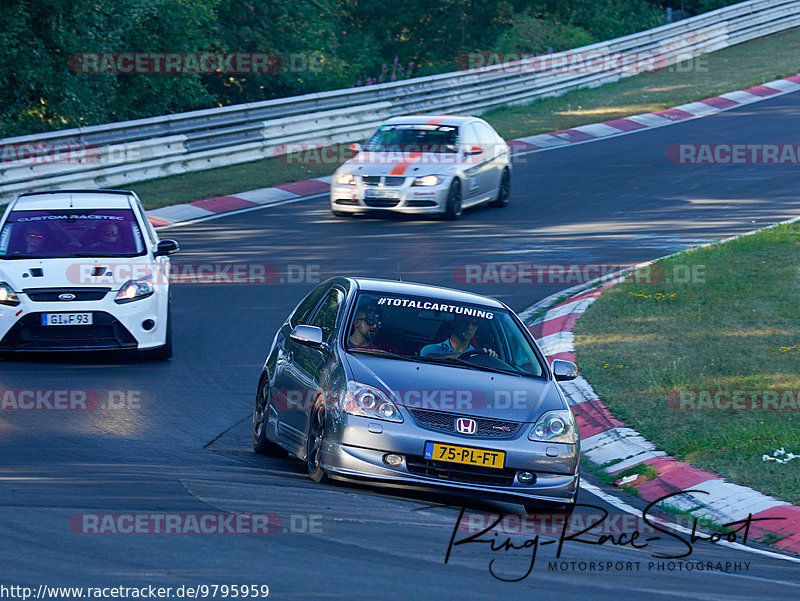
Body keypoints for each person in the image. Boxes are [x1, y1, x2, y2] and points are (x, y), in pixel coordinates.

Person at [420, 316, 496, 359]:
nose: (469, 327)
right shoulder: (430, 349)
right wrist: (471, 357)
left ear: (477, 329)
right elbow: (431, 358)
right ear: (455, 324)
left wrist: (489, 358)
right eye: (464, 322)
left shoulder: (478, 355)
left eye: (474, 324)